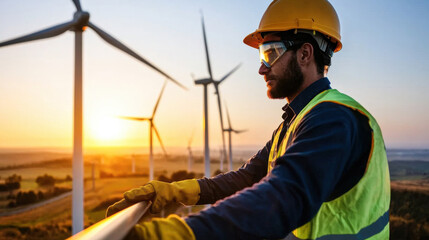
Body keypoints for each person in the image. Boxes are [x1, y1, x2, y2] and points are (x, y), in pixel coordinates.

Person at [106, 0, 390, 239]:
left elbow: (284, 196)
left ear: (305, 53)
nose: (261, 68)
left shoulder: (334, 118)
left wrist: (181, 234)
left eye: (270, 53)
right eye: (261, 55)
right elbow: (247, 178)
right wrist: (177, 191)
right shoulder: (293, 123)